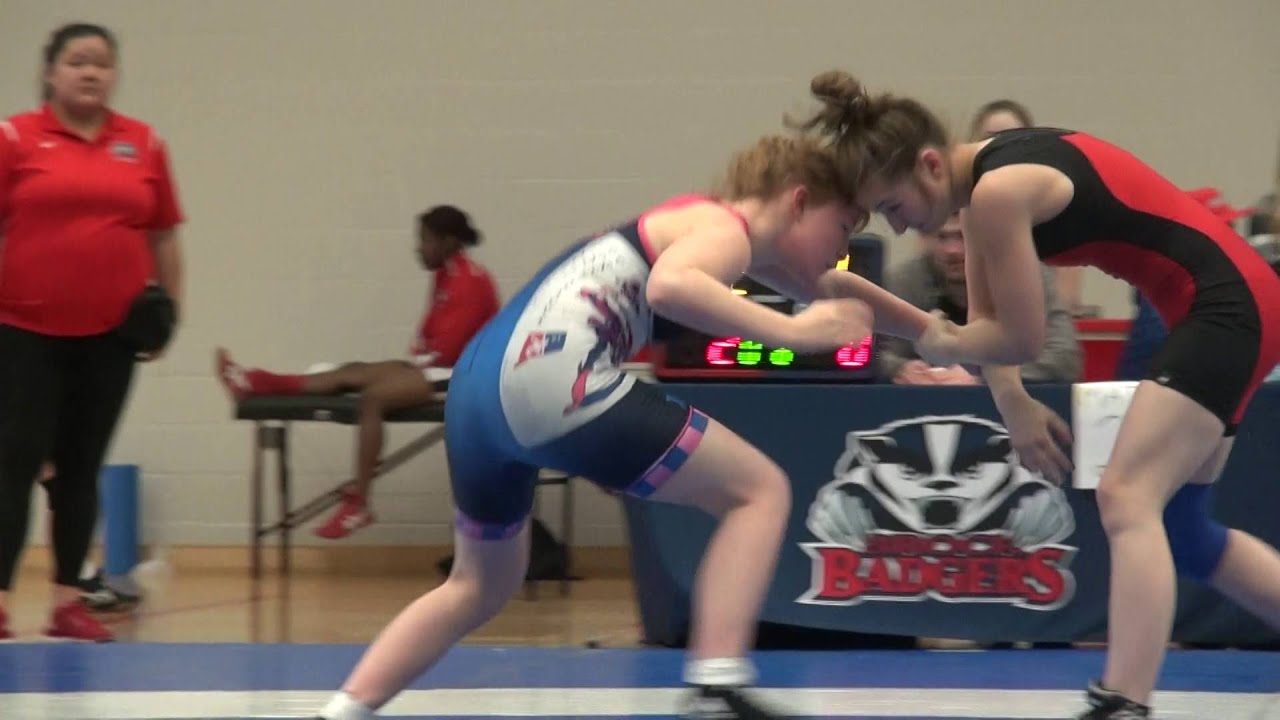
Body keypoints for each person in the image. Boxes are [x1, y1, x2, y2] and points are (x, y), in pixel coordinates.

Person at [311, 102, 935, 719]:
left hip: (477, 395)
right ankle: (716, 685)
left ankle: (343, 710)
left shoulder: (697, 226)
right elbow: (671, 288)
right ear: (798, 202)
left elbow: (833, 290)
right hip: (550, 377)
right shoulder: (723, 230)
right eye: (845, 228)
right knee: (759, 491)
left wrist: (940, 334)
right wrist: (792, 334)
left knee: (478, 585)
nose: (843, 249)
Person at [796, 69, 1280, 719]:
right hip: (1237, 301)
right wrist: (1012, 402)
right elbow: (986, 319)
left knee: (1126, 495)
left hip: (1226, 308)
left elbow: (1017, 340)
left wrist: (935, 339)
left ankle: (1124, 700)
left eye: (893, 208)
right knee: (1186, 533)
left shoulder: (999, 193)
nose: (903, 229)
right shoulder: (984, 190)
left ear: (930, 166)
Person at [0, 22, 185, 642]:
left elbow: (163, 235)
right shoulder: (14, 139)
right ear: (51, 71)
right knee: (13, 465)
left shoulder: (143, 144)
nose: (91, 72)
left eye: (102, 63)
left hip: (110, 337)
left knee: (81, 469)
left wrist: (170, 311)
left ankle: (67, 602)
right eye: (78, 61)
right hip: (22, 331)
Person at [216, 205, 500, 539]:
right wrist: (410, 363)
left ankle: (360, 504)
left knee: (373, 398)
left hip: (464, 377)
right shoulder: (446, 272)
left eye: (425, 240)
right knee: (349, 373)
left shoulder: (469, 281)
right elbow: (429, 335)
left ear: (448, 241)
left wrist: (407, 370)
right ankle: (252, 381)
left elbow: (448, 350)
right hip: (439, 367)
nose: (419, 248)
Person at [877, 211, 1080, 385]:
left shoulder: (1028, 278)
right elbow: (871, 354)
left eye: (963, 237)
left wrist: (982, 376)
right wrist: (899, 369)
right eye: (942, 237)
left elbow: (1064, 359)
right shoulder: (905, 280)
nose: (952, 250)